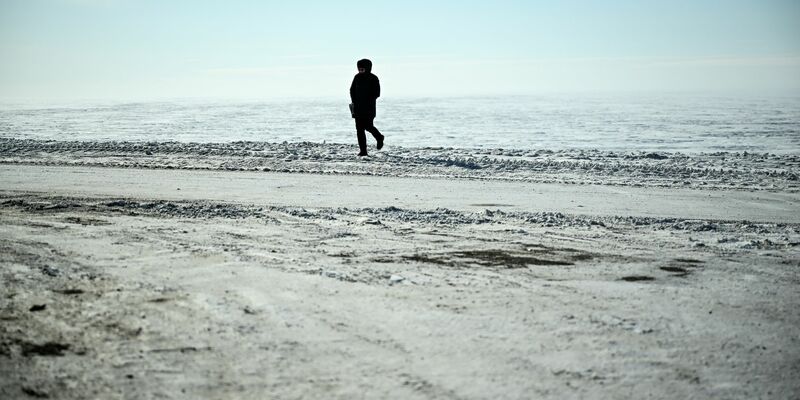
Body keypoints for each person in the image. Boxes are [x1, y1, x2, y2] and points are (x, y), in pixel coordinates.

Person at [349, 58, 384, 156]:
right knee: (359, 129)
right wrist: (354, 101)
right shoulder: (356, 77)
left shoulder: (373, 78)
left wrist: (367, 99)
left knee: (368, 126)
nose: (360, 71)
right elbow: (351, 90)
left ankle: (379, 137)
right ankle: (363, 151)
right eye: (359, 69)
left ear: (368, 68)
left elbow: (377, 93)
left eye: (362, 69)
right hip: (358, 108)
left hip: (369, 108)